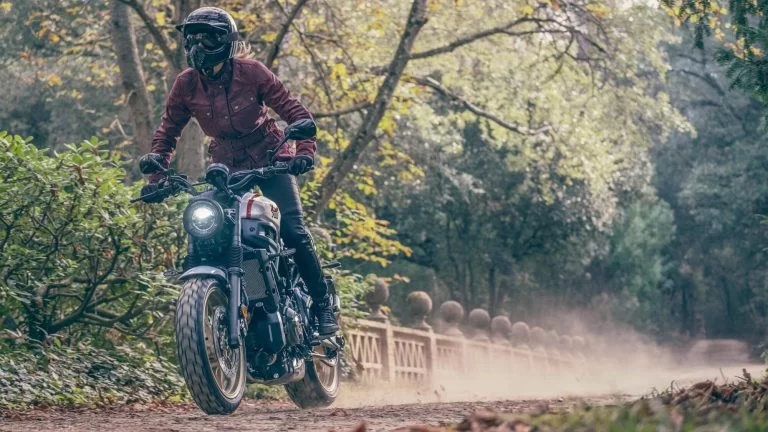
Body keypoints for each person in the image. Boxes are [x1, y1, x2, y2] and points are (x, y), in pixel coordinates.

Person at [139, 6, 338, 336]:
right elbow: (168, 130)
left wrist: (304, 152)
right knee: (207, 224)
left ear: (224, 41)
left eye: (206, 38)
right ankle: (214, 292)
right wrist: (157, 175)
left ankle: (321, 304)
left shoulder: (253, 72)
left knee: (293, 229)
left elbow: (294, 111)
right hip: (225, 165)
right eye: (192, 39)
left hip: (272, 157)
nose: (198, 47)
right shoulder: (186, 84)